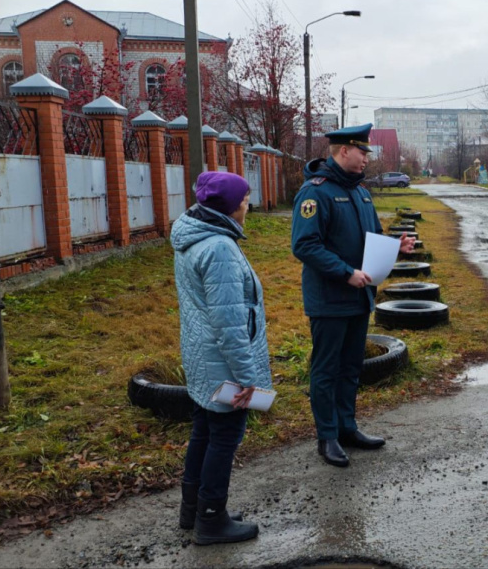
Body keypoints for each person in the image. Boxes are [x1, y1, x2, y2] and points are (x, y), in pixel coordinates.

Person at [291, 124, 414, 468]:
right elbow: (304, 245)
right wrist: (346, 272)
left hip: (360, 298)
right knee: (327, 368)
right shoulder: (316, 193)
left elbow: (372, 238)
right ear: (344, 150)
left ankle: (347, 428)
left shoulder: (360, 192)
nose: (366, 159)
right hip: (330, 299)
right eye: (362, 152)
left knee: (350, 367)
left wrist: (396, 247)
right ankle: (327, 436)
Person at [171, 171, 271, 545]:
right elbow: (229, 324)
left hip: (201, 356)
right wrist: (248, 378)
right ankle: (211, 520)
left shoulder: (192, 234)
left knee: (204, 431)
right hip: (222, 362)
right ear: (230, 207)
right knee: (224, 436)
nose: (249, 205)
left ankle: (192, 510)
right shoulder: (219, 249)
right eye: (245, 200)